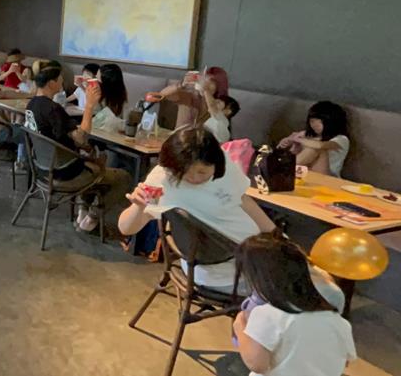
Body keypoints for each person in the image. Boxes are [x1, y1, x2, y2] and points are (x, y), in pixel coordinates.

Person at [117, 128, 344, 308]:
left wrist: (281, 240)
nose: (195, 178)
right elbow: (126, 228)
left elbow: (244, 201)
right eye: (185, 173)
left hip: (257, 255)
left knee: (327, 289)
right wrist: (139, 207)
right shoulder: (162, 180)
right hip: (224, 269)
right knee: (326, 295)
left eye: (202, 172)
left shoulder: (223, 165)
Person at [233, 233, 356, 376]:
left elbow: (257, 364)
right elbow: (344, 361)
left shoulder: (266, 314)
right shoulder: (338, 322)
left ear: (260, 279)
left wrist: (240, 325)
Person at [26, 66, 131, 231]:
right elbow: (81, 137)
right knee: (124, 177)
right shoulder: (53, 109)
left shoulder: (32, 105)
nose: (63, 83)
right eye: (60, 80)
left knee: (91, 163)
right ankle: (91, 218)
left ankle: (82, 212)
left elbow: (64, 137)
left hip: (43, 169)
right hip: (66, 174)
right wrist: (89, 106)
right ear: (52, 83)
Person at [278, 101, 350, 177]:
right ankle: (280, 168)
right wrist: (288, 142)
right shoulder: (307, 134)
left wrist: (298, 139)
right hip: (305, 172)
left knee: (316, 148)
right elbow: (287, 148)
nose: (315, 125)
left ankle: (281, 168)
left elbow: (320, 145)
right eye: (312, 121)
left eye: (320, 122)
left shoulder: (341, 139)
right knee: (299, 147)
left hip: (329, 177)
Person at [147, 67, 231, 128]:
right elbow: (162, 95)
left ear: (219, 86)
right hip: (179, 140)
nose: (206, 84)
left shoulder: (220, 105)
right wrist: (182, 84)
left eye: (212, 82)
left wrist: (206, 91)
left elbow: (217, 116)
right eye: (205, 80)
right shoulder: (191, 96)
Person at [93, 63, 128, 132]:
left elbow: (124, 124)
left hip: (111, 133)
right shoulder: (99, 95)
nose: (95, 81)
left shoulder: (120, 99)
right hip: (97, 131)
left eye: (97, 79)